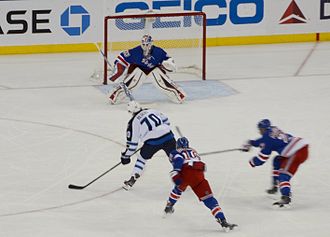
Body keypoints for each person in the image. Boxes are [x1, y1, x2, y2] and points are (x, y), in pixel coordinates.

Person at [164, 137, 237, 232]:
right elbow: (198, 163)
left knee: (178, 188)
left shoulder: (175, 152)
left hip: (186, 172)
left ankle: (169, 206)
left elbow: (178, 160)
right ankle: (223, 221)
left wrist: (176, 171)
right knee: (209, 199)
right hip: (199, 175)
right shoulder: (194, 151)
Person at [242, 119, 309, 207]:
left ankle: (286, 196)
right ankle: (275, 185)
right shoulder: (273, 130)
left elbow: (262, 158)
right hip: (300, 146)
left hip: (296, 152)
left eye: (260, 129)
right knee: (277, 160)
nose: (259, 131)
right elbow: (264, 141)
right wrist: (251, 143)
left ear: (263, 129)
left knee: (283, 175)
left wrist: (252, 162)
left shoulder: (267, 139)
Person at [108, 34, 186, 104]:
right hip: (139, 69)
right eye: (143, 44)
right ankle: (114, 96)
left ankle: (178, 94)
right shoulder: (136, 51)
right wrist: (118, 70)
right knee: (131, 85)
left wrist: (168, 64)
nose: (145, 46)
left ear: (151, 44)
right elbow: (122, 57)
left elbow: (168, 60)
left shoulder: (158, 51)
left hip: (153, 69)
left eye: (147, 44)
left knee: (162, 85)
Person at [120, 100, 176, 190]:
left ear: (130, 112)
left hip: (152, 142)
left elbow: (133, 145)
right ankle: (186, 175)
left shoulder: (133, 122)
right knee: (175, 157)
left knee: (142, 158)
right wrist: (162, 130)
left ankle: (133, 177)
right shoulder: (151, 110)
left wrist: (125, 156)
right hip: (168, 136)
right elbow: (166, 120)